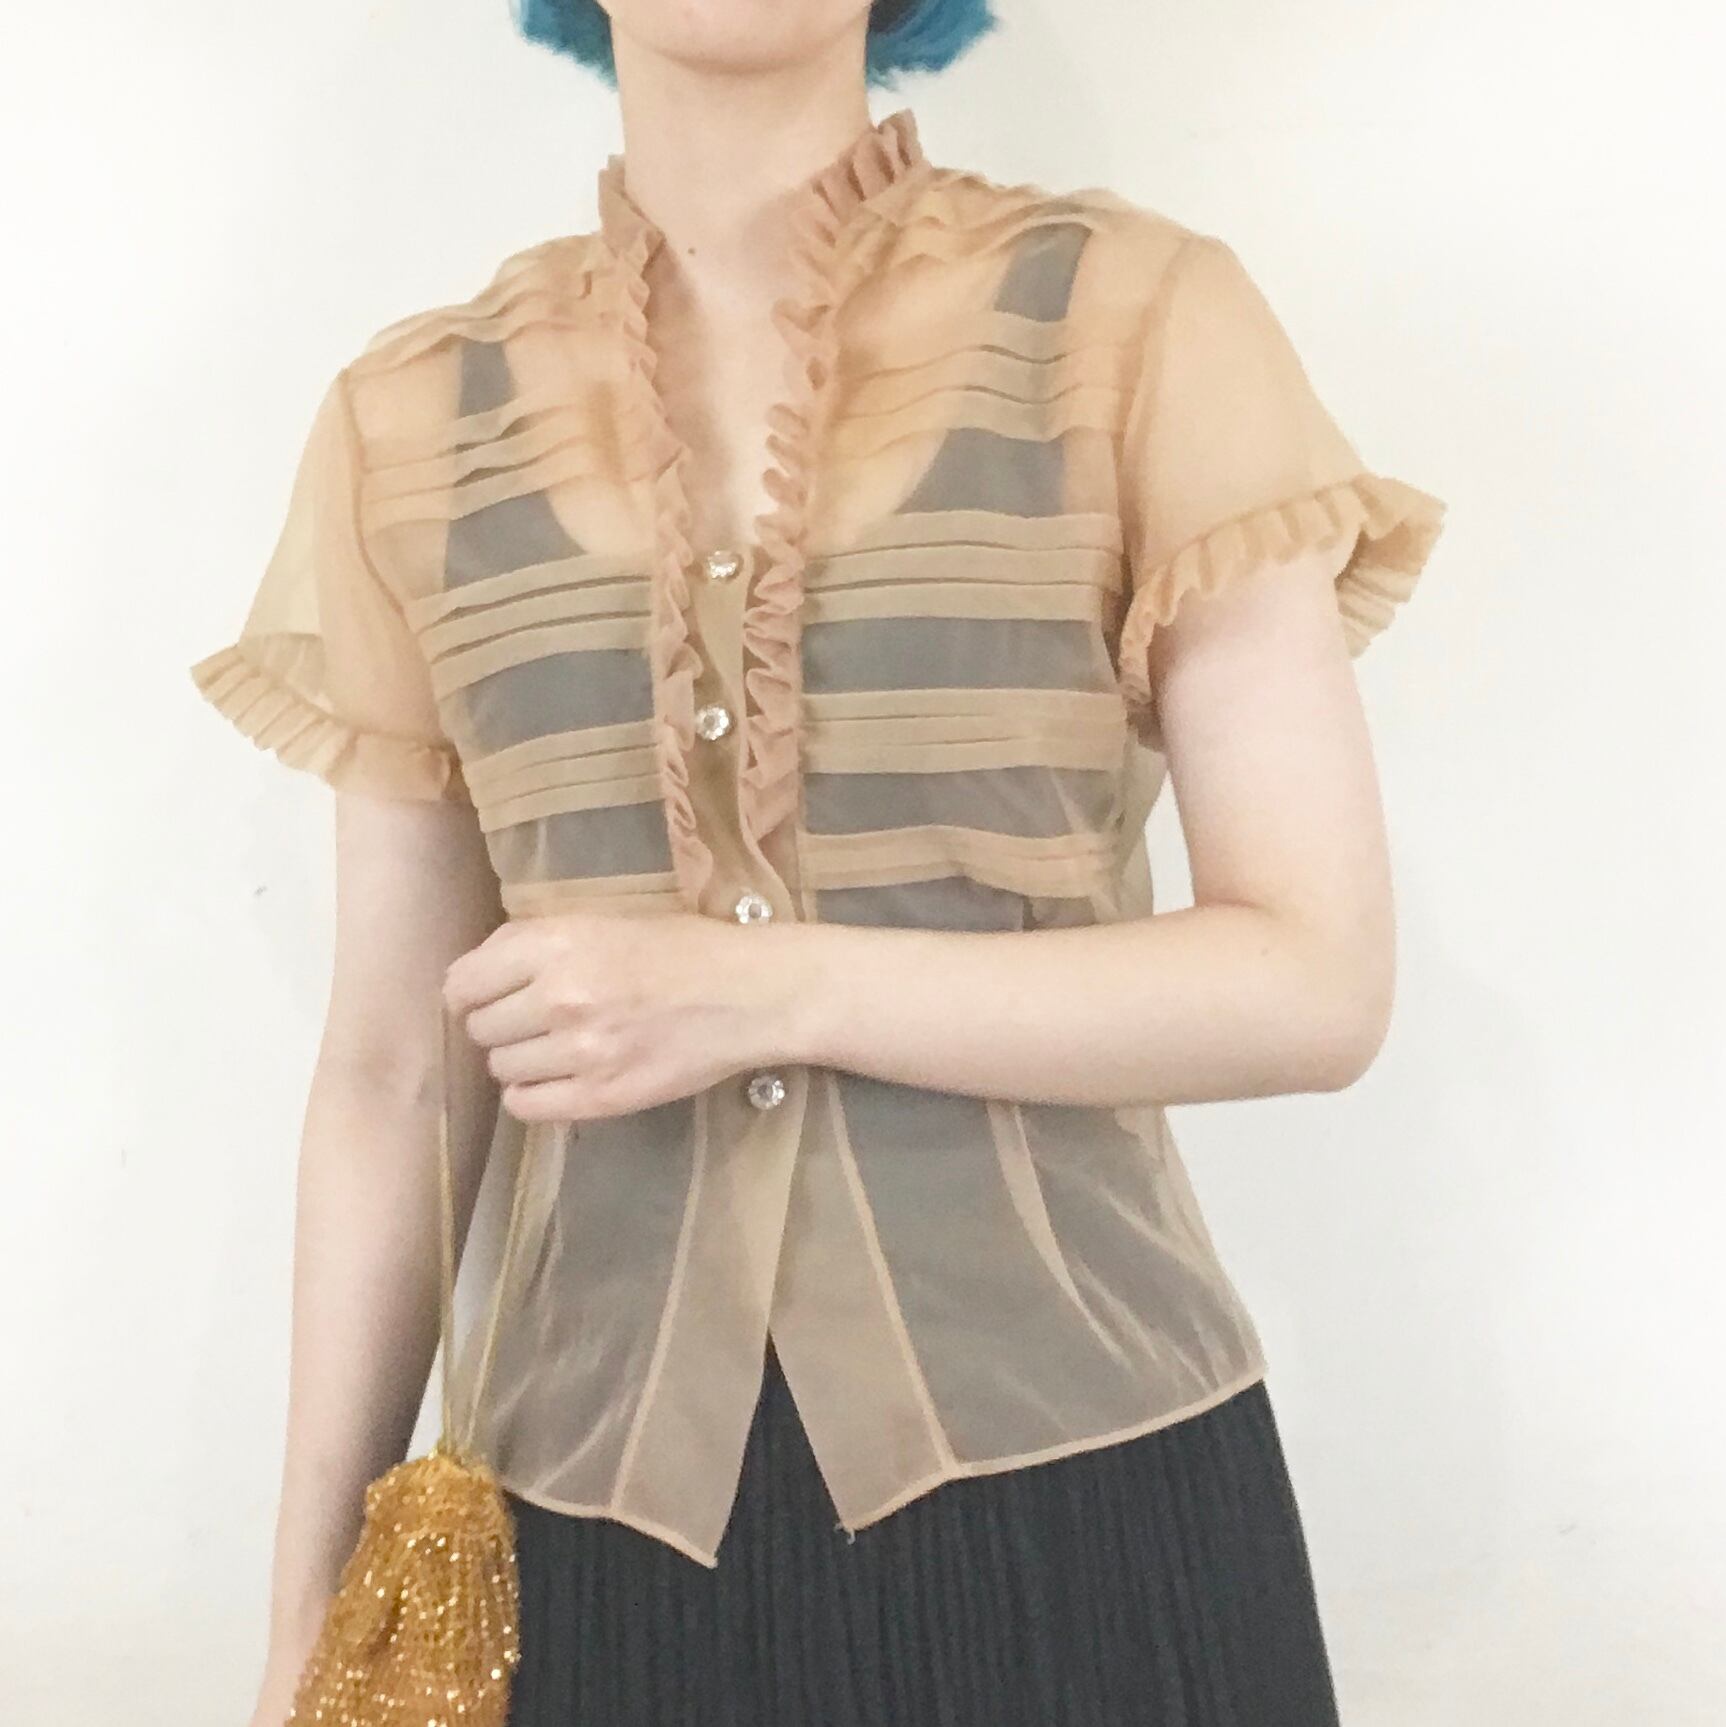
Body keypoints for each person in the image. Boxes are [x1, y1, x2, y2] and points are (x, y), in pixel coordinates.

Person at [188, 3, 1447, 1723]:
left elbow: (1311, 982)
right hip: (575, 1544)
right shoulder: (408, 420)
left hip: (1087, 1503)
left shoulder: (1137, 320)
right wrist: (306, 1619)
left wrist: (769, 988)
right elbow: (395, 1073)